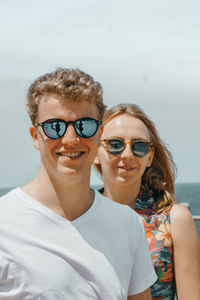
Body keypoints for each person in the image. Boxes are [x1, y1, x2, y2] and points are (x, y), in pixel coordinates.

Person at [0, 69, 157, 300]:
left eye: (85, 125)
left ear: (99, 133)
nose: (71, 139)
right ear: (35, 136)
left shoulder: (127, 224)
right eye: (55, 126)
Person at [94, 103, 200, 300]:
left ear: (150, 157)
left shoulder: (174, 220)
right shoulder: (80, 216)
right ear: (95, 152)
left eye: (139, 146)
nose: (127, 155)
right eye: (115, 144)